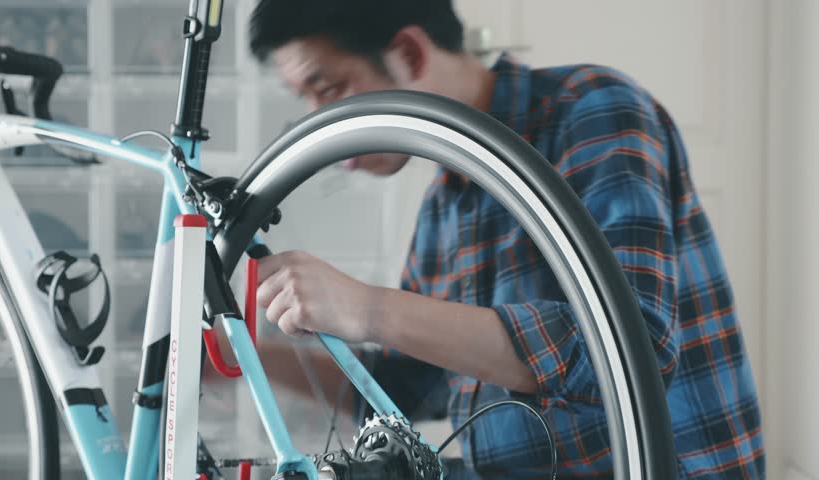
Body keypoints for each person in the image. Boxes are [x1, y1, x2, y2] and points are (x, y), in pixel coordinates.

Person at [247, 0, 765, 478]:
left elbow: (631, 353)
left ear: (407, 52)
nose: (321, 120)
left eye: (330, 87)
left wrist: (367, 308)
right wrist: (241, 358)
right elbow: (403, 387)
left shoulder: (593, 109)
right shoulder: (445, 200)